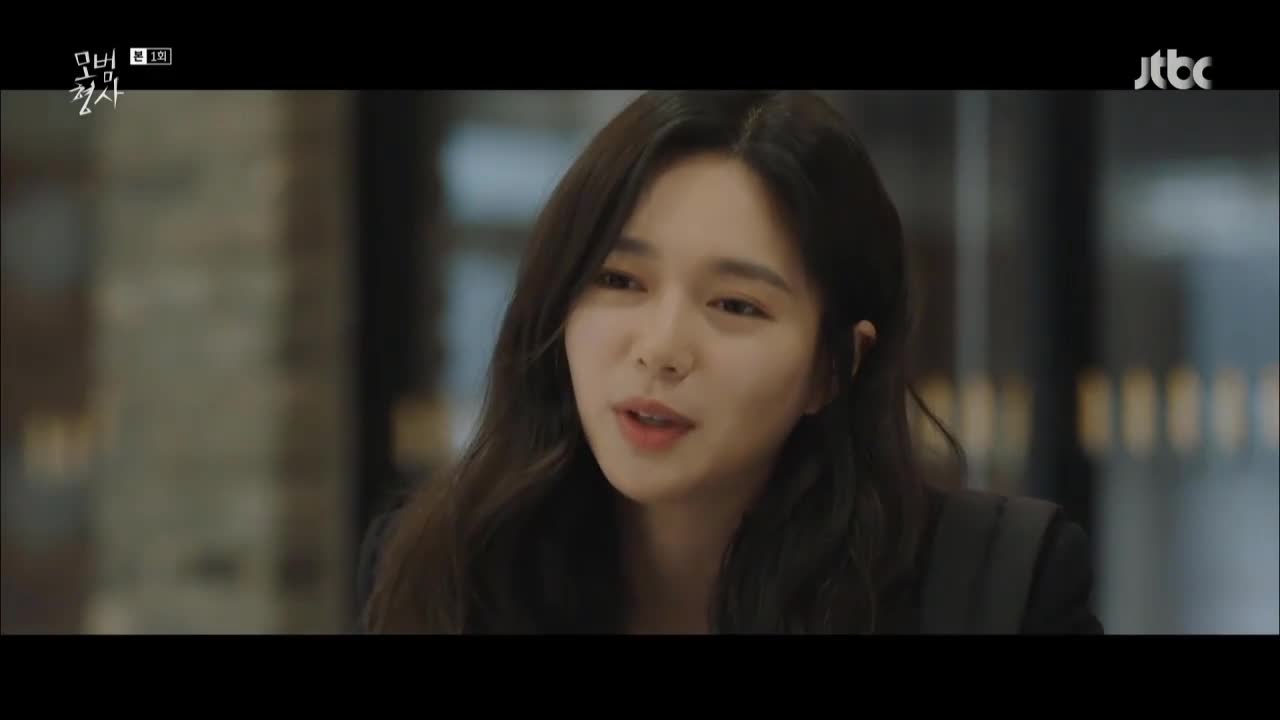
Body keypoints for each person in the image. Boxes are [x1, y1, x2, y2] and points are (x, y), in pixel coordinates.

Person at [357, 90, 1103, 634]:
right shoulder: (448, 573)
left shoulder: (992, 594)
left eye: (736, 305)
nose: (660, 349)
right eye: (619, 280)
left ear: (834, 367)